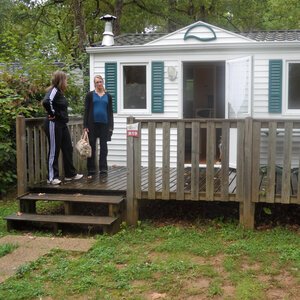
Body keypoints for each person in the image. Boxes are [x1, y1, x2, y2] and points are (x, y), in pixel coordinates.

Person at [43, 70, 83, 185]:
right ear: (60, 80)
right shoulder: (54, 90)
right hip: (53, 124)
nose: (67, 82)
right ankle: (51, 177)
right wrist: (53, 114)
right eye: (65, 79)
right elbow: (46, 102)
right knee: (54, 150)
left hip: (61, 124)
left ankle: (70, 174)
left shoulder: (59, 92)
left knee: (68, 147)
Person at [83, 75, 114, 178]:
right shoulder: (90, 95)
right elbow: (86, 111)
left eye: (100, 82)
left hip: (104, 125)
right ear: (94, 84)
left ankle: (103, 169)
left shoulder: (108, 96)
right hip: (92, 125)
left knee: (104, 148)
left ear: (103, 82)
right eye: (97, 82)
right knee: (91, 147)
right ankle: (91, 170)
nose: (99, 84)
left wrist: (111, 126)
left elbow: (110, 112)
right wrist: (85, 126)